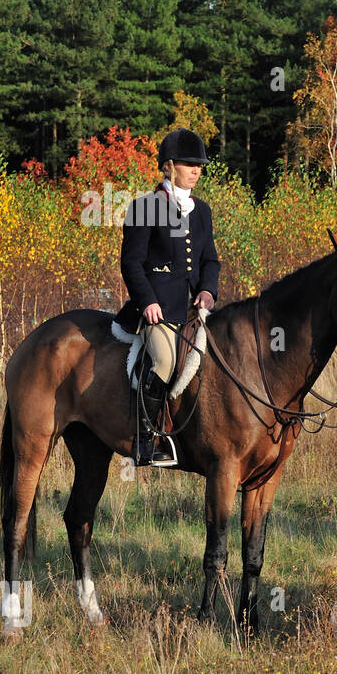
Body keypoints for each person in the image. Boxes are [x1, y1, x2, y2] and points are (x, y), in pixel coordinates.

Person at [113, 128, 221, 466]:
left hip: (191, 310)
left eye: (199, 166)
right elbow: (131, 263)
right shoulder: (145, 207)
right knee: (163, 360)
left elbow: (209, 260)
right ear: (169, 165)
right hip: (155, 310)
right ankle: (146, 440)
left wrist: (207, 290)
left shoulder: (201, 211)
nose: (196, 171)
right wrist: (148, 302)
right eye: (190, 164)